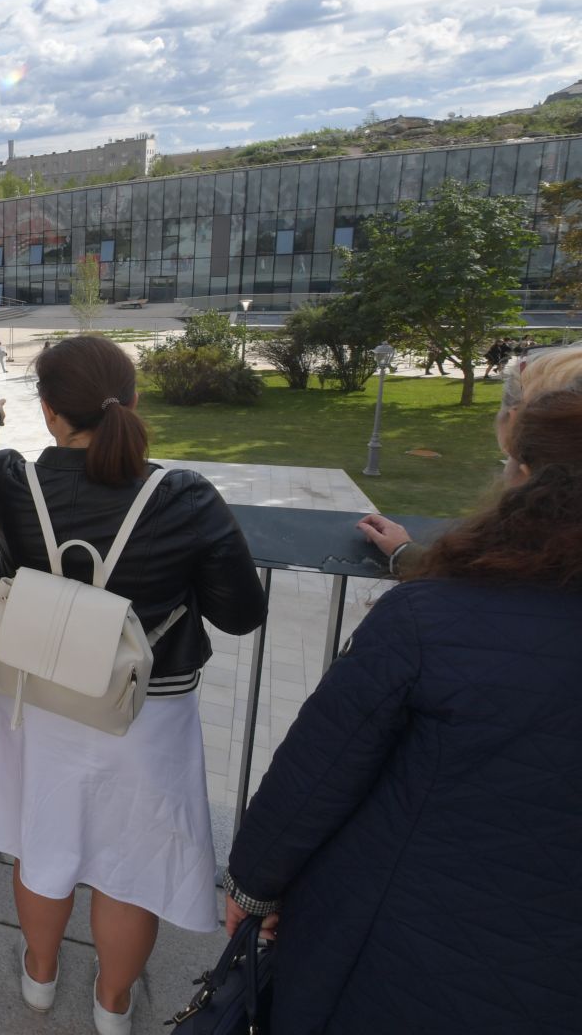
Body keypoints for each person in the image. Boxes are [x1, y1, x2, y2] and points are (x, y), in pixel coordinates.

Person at [225, 388, 582, 1034]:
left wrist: (254, 888)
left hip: (400, 949)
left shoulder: (429, 621)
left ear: (529, 481)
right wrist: (410, 558)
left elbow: (316, 774)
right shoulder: (439, 616)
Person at [0, 335, 268, 1034]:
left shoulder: (16, 482)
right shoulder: (183, 495)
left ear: (49, 412)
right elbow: (241, 613)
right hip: (143, 714)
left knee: (44, 842)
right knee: (131, 865)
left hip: (38, 700)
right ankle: (113, 1005)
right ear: (130, 403)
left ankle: (40, 978)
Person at [359, 343, 582, 575]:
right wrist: (404, 552)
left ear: (513, 424)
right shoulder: (556, 559)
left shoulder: (424, 604)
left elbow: (474, 581)